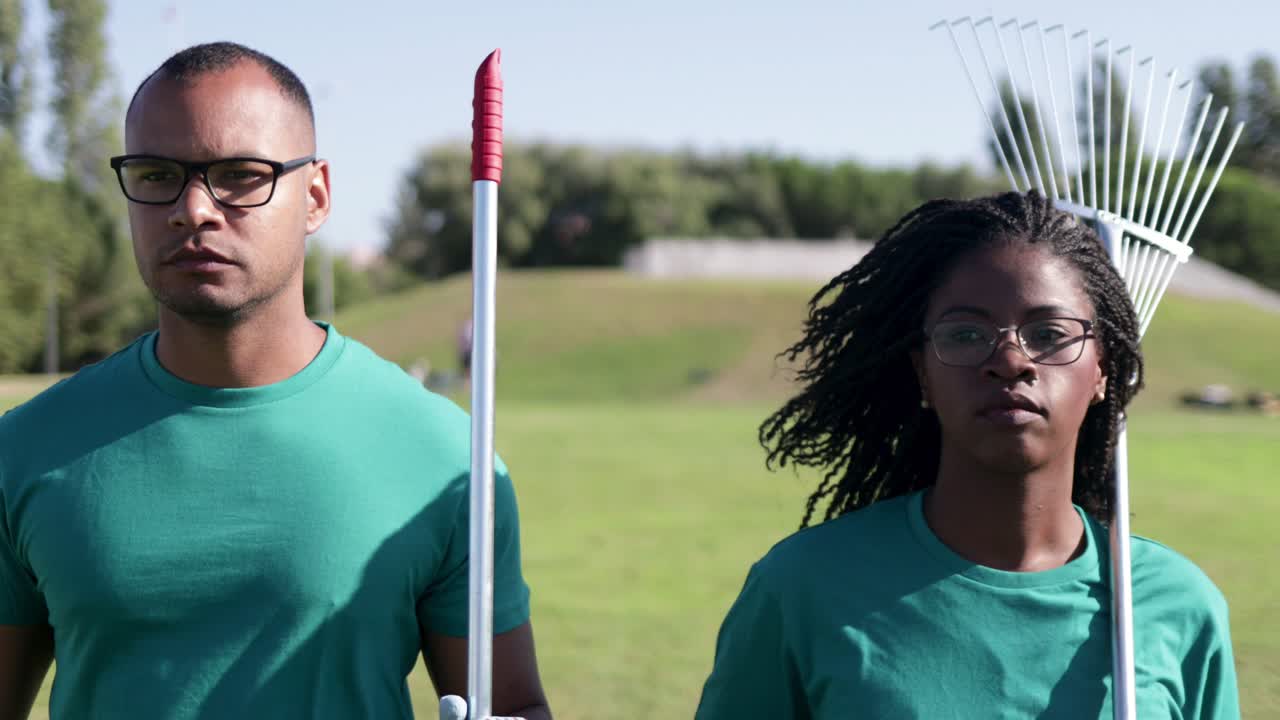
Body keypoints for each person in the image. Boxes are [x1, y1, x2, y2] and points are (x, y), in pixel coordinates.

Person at [0, 43, 550, 720]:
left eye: (239, 175)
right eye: (155, 174)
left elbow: (515, 706)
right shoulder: (24, 449)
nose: (193, 209)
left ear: (315, 195)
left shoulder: (447, 458)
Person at [695, 192, 1238, 719]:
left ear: (1101, 370)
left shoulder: (1178, 604)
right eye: (965, 334)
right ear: (922, 373)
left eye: (1049, 333)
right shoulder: (802, 588)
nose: (1009, 360)